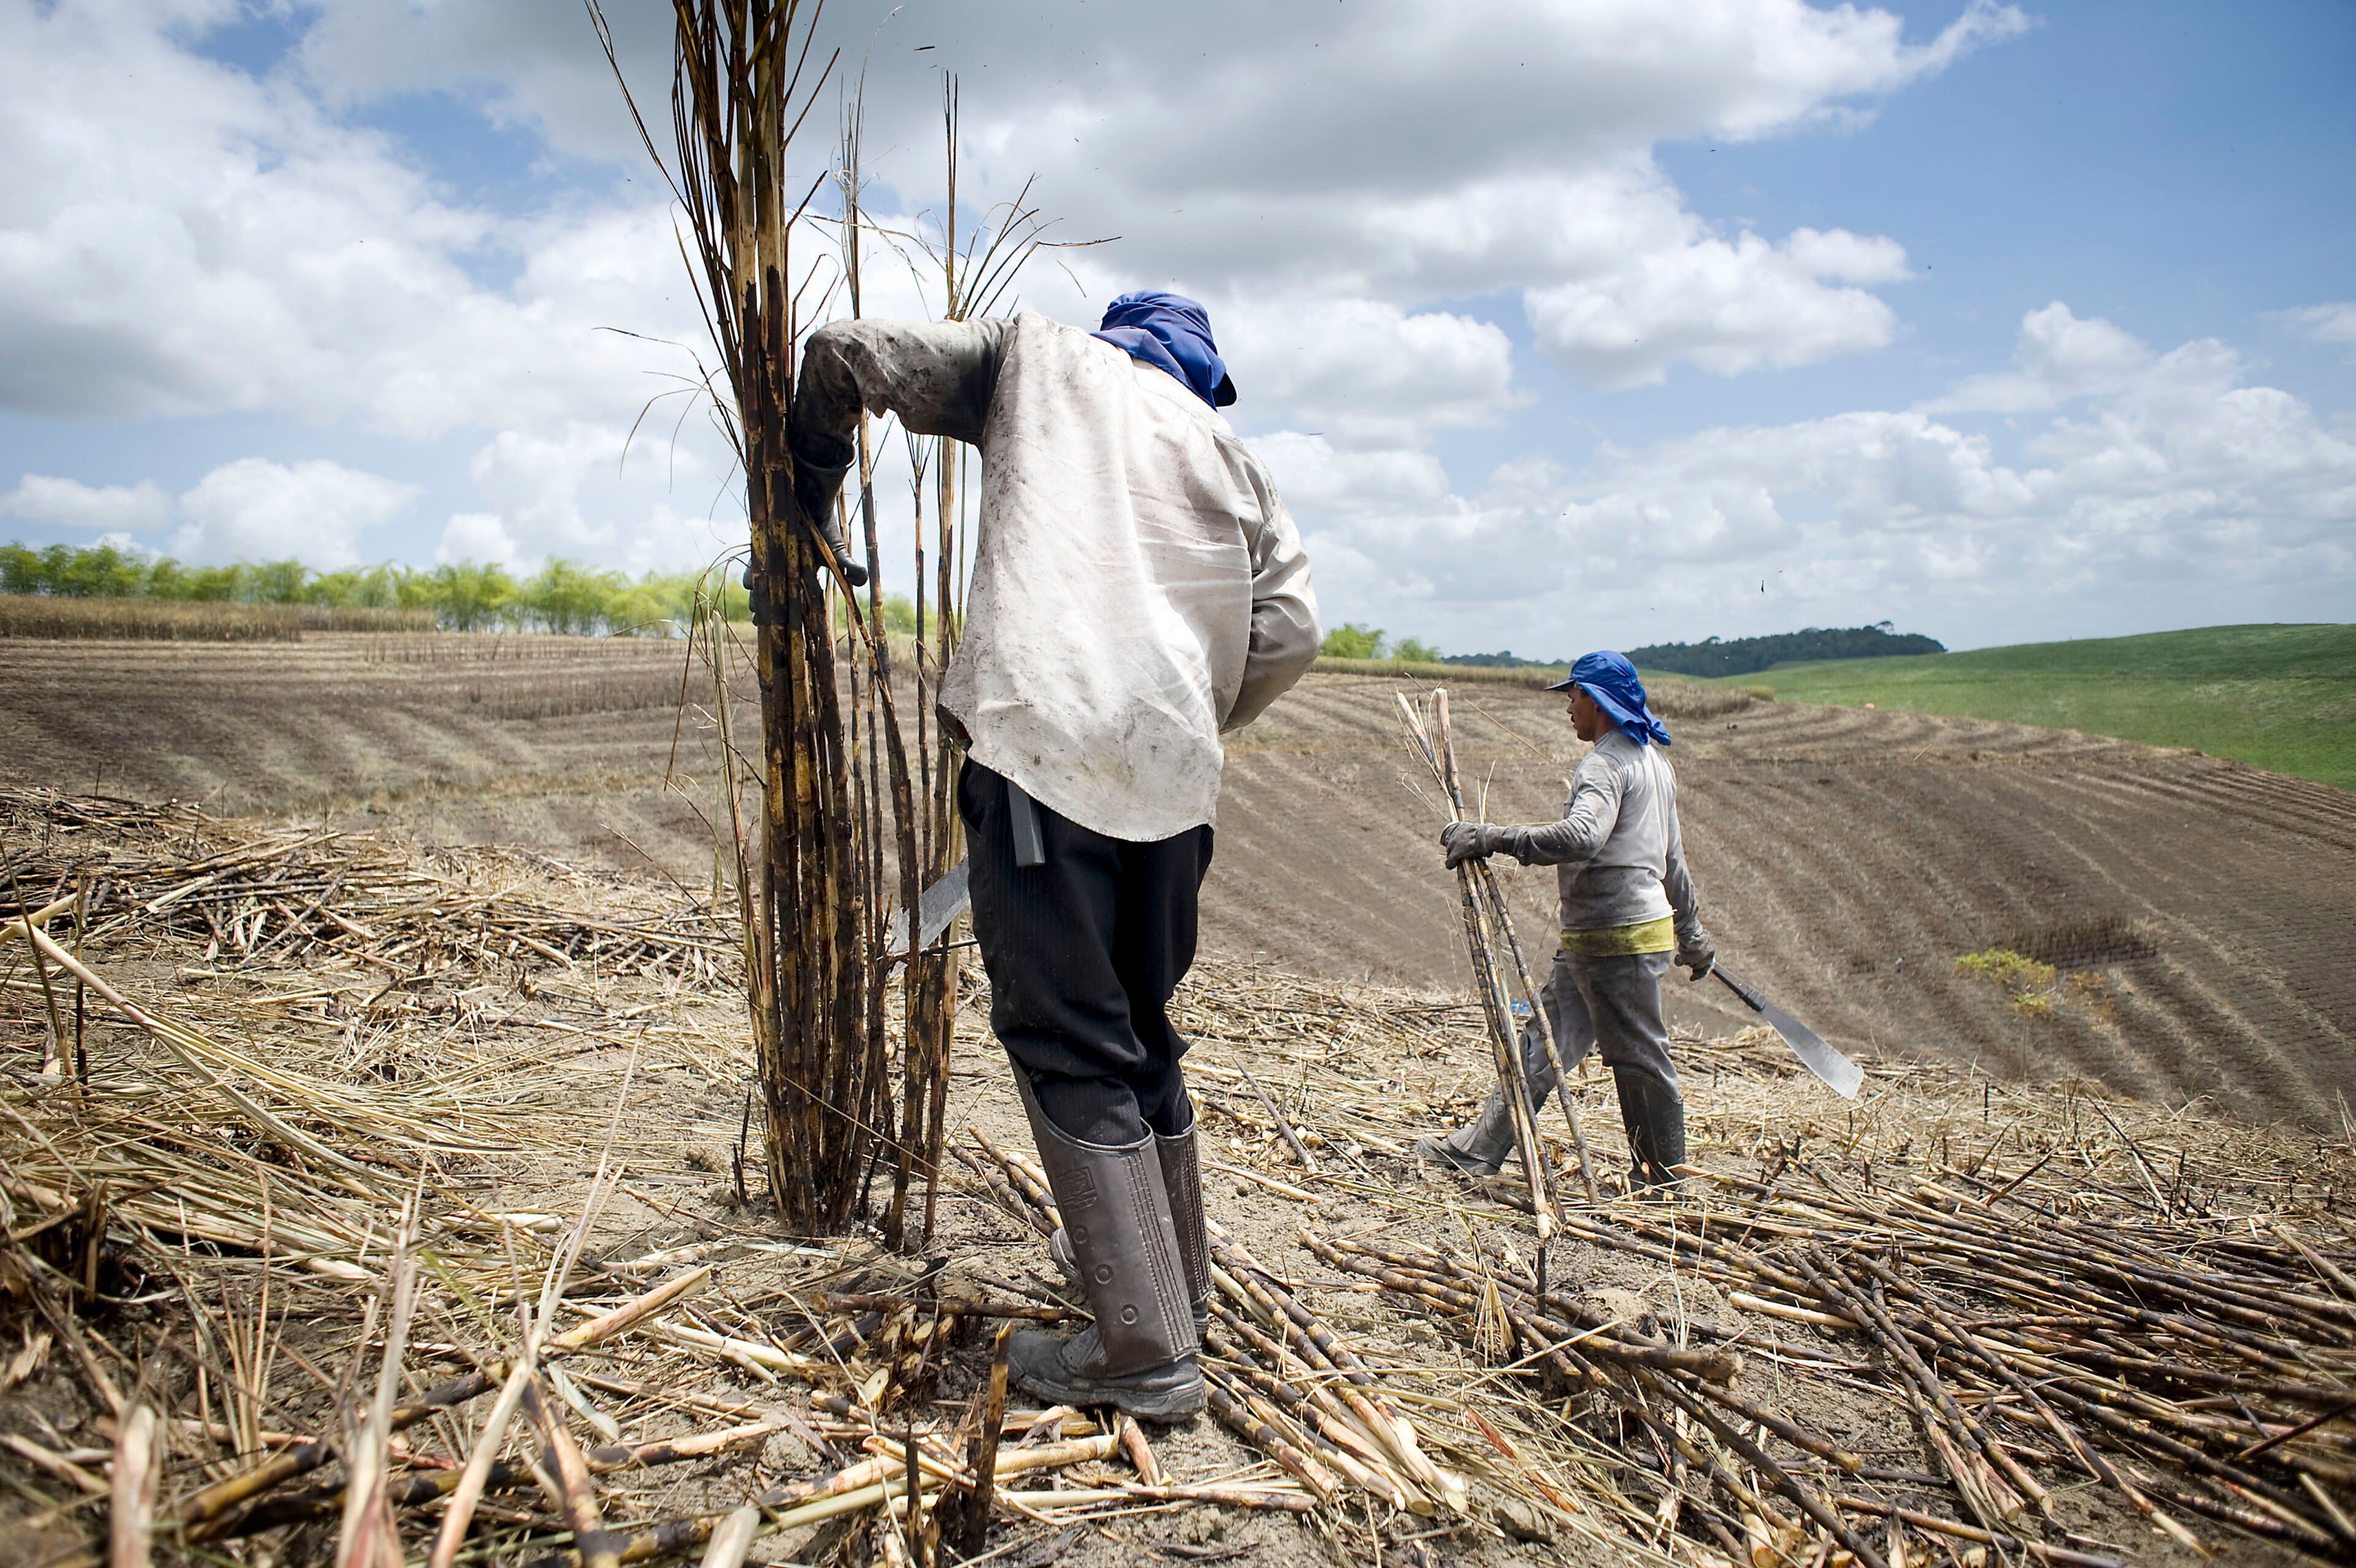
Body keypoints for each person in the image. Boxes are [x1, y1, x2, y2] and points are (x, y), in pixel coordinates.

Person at [785, 293, 1320, 1420]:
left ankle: (1144, 1355)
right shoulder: (1231, 453)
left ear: (1119, 338)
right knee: (1137, 1031)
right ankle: (1179, 1302)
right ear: (1200, 373)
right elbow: (1290, 629)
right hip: (1174, 780)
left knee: (1068, 1037)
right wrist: (1191, 712)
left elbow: (845, 353)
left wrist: (808, 495)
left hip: (1045, 756)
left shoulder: (1036, 362)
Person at [1419, 651, 1714, 1189]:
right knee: (1544, 1041)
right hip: (1598, 938)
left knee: (1639, 1055)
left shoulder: (1607, 765)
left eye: (1573, 696)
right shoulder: (1653, 762)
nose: (1568, 708)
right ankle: (1480, 1150)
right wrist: (1691, 932)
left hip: (1619, 938)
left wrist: (1492, 837)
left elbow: (1582, 836)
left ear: (1597, 701)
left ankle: (1663, 1182)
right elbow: (1672, 860)